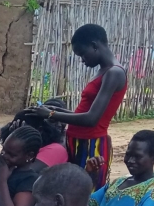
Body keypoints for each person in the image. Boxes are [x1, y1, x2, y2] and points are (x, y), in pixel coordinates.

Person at [27, 25, 128, 188]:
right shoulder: (104, 71)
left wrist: (51, 114)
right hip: (79, 141)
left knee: (86, 192)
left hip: (91, 145)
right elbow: (85, 112)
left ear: (94, 45)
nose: (82, 60)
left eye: (82, 54)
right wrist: (55, 110)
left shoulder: (114, 73)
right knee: (73, 189)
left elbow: (91, 119)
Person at [0, 99, 68, 167]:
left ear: (40, 129)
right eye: (52, 120)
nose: (59, 124)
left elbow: (23, 172)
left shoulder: (56, 149)